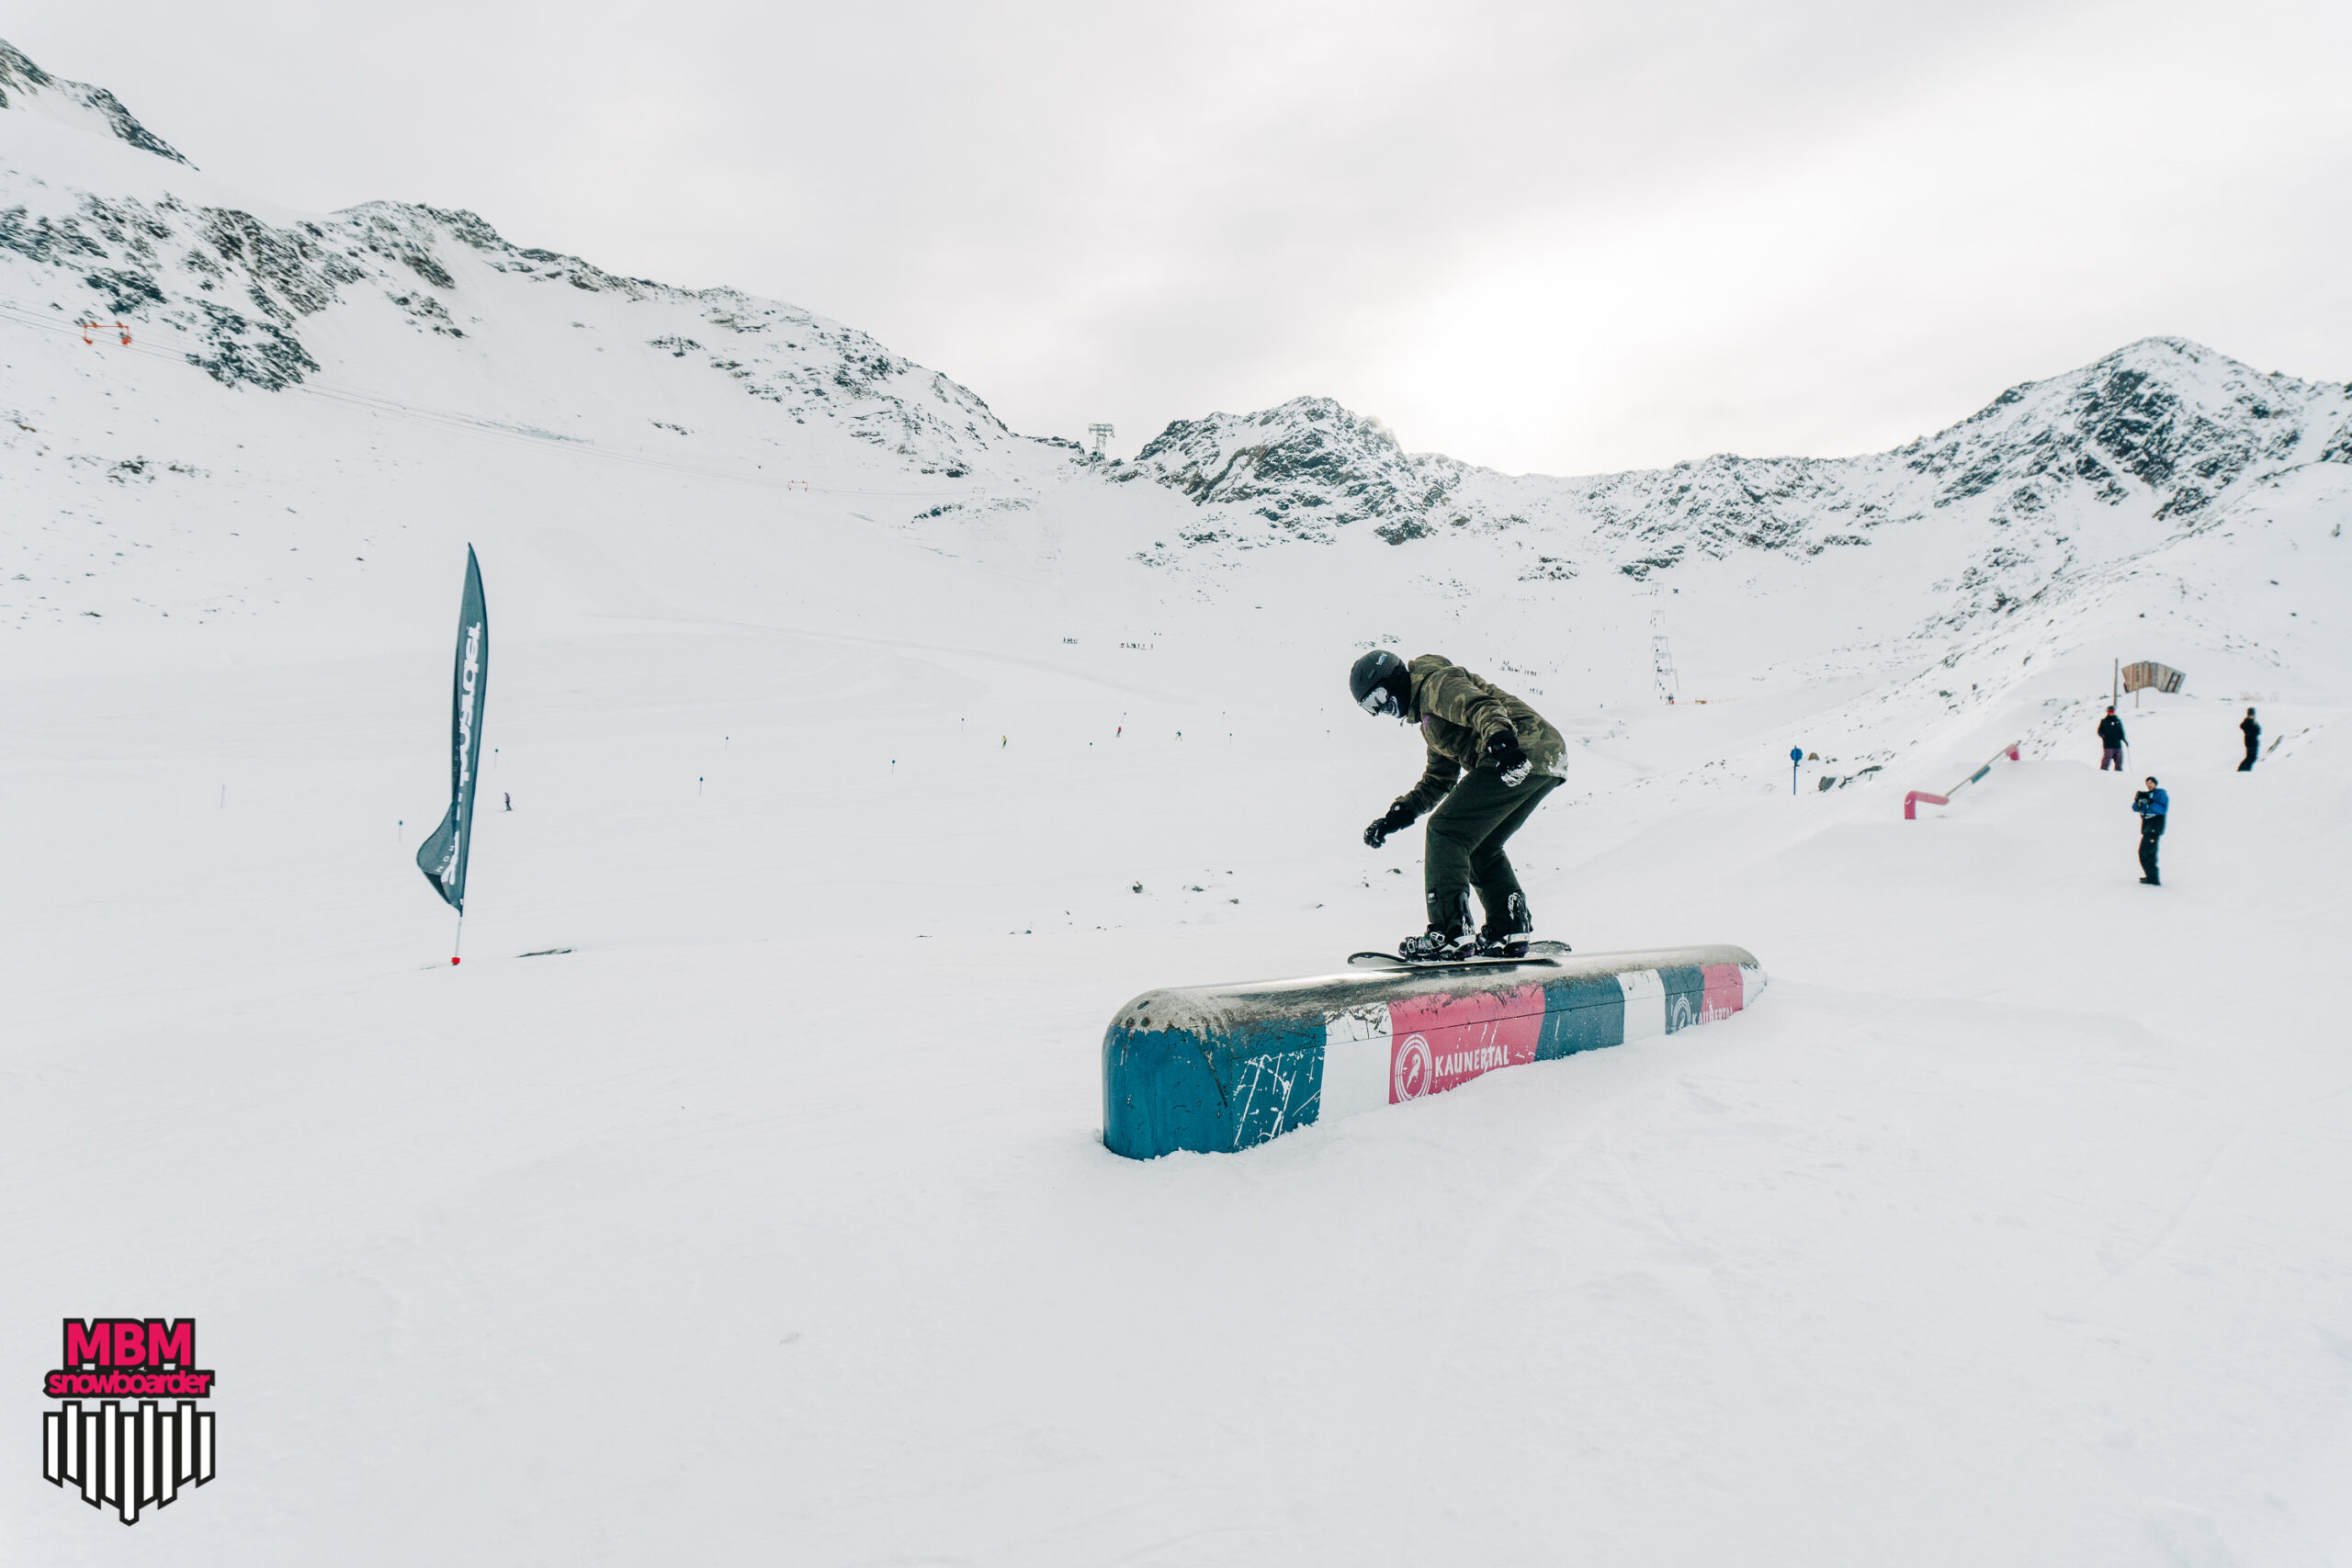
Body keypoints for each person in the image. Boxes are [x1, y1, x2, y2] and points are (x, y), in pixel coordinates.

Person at [1351, 649, 1567, 958]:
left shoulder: (1437, 684)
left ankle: (1449, 931)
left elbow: (1481, 706)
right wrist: (1399, 814)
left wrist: (1502, 741)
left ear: (1395, 677)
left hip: (1520, 751)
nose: (1384, 708)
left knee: (1444, 830)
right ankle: (1508, 927)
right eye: (1372, 707)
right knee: (1480, 848)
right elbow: (1439, 779)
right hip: (1544, 759)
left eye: (1381, 697)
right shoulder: (1430, 721)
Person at [2132, 775, 2168, 886]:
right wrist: (2137, 800)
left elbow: (2162, 809)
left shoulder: (2160, 793)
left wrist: (2150, 802)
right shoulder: (2146, 795)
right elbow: (2135, 808)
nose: (2149, 785)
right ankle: (2150, 876)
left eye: (2151, 783)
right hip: (2147, 827)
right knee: (2143, 853)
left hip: (2154, 827)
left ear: (2155, 784)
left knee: (2149, 853)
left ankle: (2153, 879)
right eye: (2147, 783)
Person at [2097, 706, 2126, 771]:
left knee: (2119, 761)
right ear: (2107, 712)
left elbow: (2121, 731)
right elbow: (2099, 731)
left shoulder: (2118, 721)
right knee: (2106, 761)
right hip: (2108, 745)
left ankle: (2118, 773)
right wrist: (2103, 736)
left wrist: (2124, 739)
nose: (2111, 713)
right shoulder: (2104, 721)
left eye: (2112, 711)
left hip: (2117, 744)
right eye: (2110, 711)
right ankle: (2103, 772)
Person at [2239, 707, 2260, 771]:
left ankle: (2246, 769)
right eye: (2250, 714)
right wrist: (2253, 731)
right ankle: (2242, 769)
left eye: (2252, 714)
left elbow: (2258, 731)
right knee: (2250, 757)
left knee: (2253, 757)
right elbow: (2244, 728)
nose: (2251, 716)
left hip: (2254, 742)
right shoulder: (2247, 722)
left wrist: (2255, 730)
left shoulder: (2254, 722)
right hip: (2249, 742)